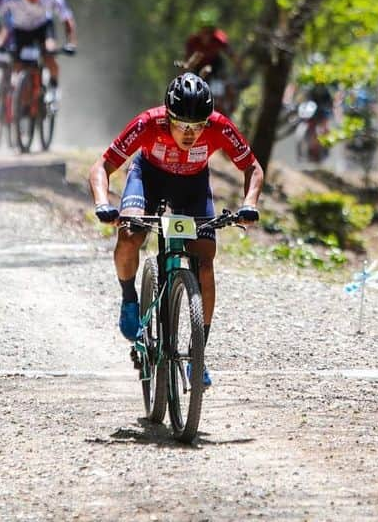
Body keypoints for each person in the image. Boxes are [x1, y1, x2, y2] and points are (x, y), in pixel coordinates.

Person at [87, 73, 263, 386]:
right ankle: (129, 298)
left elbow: (252, 167)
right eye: (181, 124)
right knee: (129, 235)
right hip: (148, 178)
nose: (189, 133)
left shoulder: (220, 126)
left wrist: (249, 203)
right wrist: (103, 203)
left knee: (205, 264)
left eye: (197, 126)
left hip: (192, 186)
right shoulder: (147, 124)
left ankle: (198, 354)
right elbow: (102, 166)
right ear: (167, 116)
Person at [0, 0, 77, 93]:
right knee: (16, 64)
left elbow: (67, 19)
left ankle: (54, 88)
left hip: (43, 28)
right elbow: (2, 21)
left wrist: (71, 42)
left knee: (49, 53)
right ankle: (17, 97)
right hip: (20, 29)